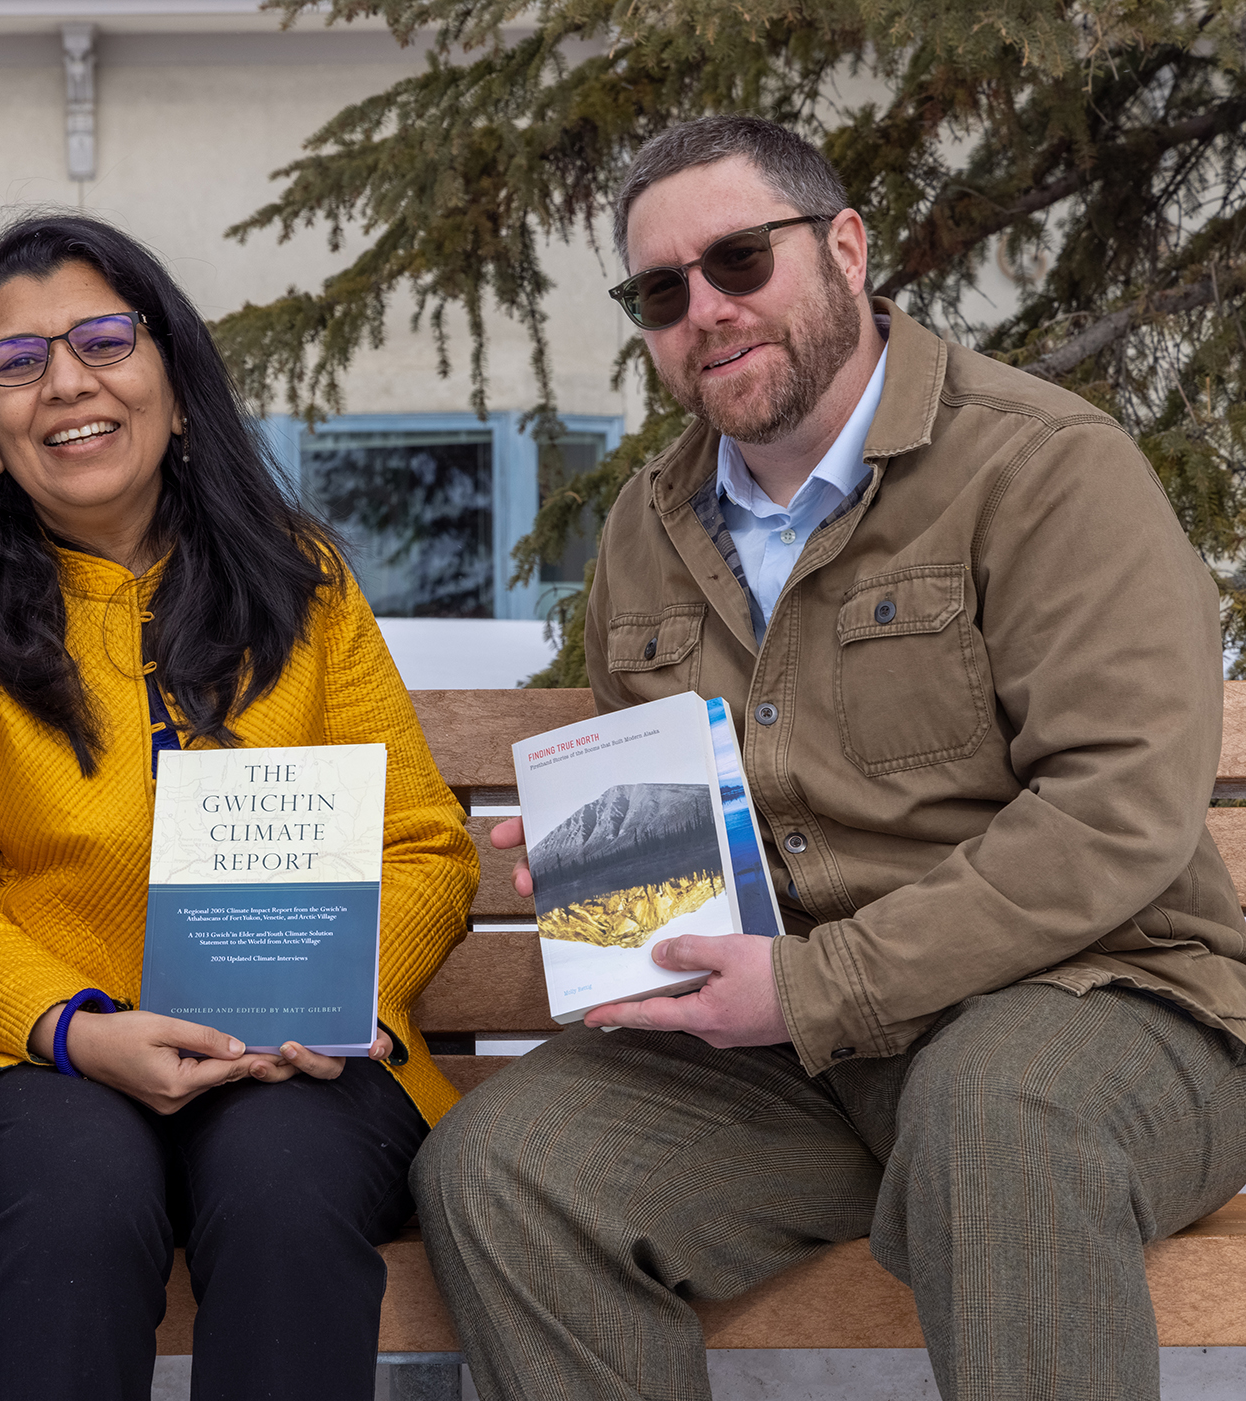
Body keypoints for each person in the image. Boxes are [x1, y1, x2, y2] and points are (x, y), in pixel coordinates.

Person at [409, 114, 1246, 1401]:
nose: (706, 309)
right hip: (805, 1075)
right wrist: (605, 863)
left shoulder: (1044, 471)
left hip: (1108, 1009)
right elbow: (684, 812)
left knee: (999, 1117)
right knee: (508, 1166)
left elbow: (1117, 811)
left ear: (846, 249)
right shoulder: (649, 526)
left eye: (741, 260)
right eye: (661, 290)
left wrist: (817, 988)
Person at [0, 214, 480, 1401]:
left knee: (287, 1185)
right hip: (21, 1064)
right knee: (80, 1192)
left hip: (294, 1052)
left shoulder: (301, 584)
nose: (68, 385)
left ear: (177, 384)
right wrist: (79, 1030)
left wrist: (341, 1000)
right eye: (18, 362)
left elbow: (423, 847)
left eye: (104, 339)